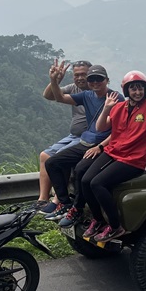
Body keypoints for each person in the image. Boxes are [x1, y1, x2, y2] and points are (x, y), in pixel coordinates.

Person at [70, 71, 146, 241]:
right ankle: (98, 220)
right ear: (126, 90)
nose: (137, 92)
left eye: (140, 88)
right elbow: (100, 128)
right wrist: (106, 108)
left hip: (132, 160)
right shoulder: (119, 107)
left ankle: (115, 226)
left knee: (97, 184)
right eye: (133, 89)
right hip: (113, 152)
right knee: (85, 181)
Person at [43, 64, 119, 222]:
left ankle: (77, 209)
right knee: (52, 163)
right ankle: (64, 203)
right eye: (92, 79)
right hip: (85, 142)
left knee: (79, 170)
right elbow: (59, 98)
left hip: (102, 145)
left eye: (99, 79)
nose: (95, 82)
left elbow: (118, 130)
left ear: (107, 80)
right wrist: (54, 81)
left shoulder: (116, 99)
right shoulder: (87, 95)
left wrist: (100, 147)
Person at [35, 59, 91, 214]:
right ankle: (42, 199)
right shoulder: (73, 88)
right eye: (76, 75)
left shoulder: (96, 91)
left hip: (86, 138)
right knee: (45, 155)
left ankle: (58, 200)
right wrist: (55, 80)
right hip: (73, 135)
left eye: (83, 74)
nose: (79, 78)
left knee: (59, 158)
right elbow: (49, 95)